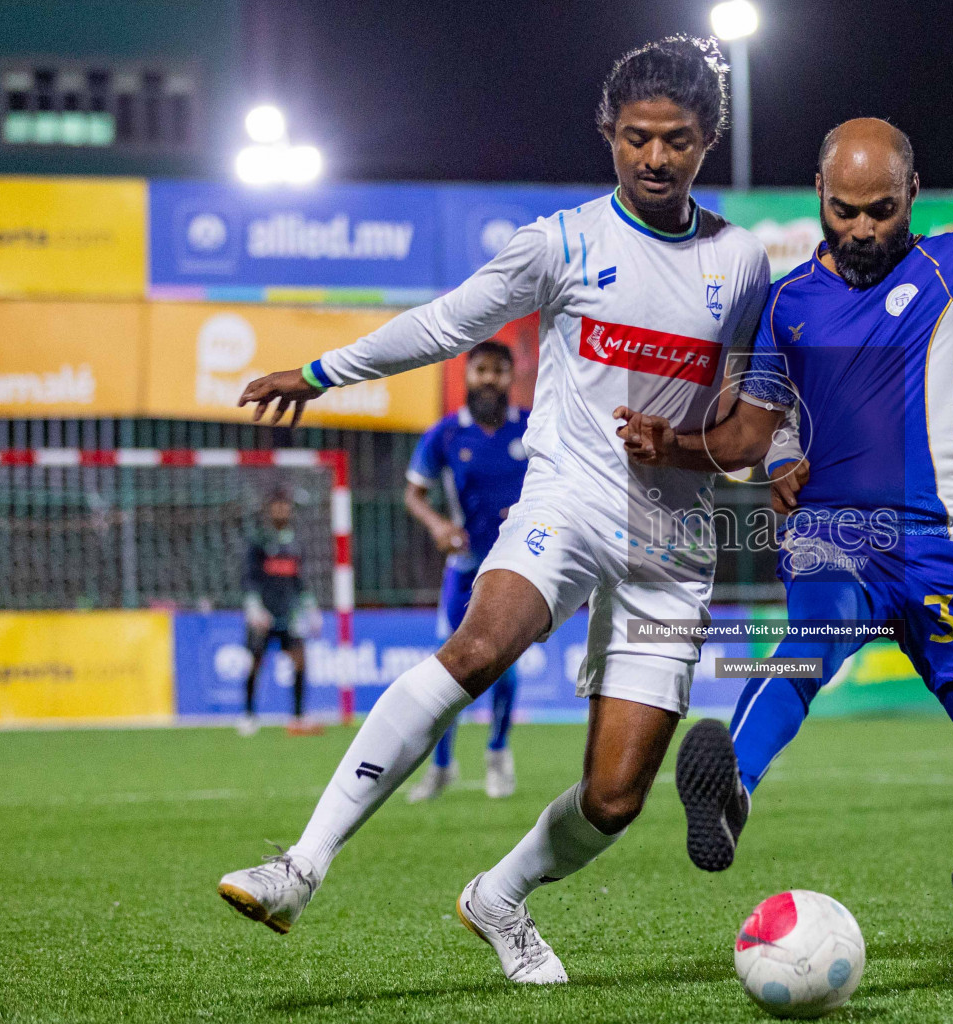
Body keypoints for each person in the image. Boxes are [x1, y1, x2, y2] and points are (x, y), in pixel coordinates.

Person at [215, 35, 771, 985]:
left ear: (707, 139)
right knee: (477, 646)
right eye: (637, 137)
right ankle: (300, 866)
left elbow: (741, 420)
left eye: (676, 140)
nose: (655, 157)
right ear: (609, 133)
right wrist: (319, 374)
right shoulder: (562, 243)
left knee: (617, 797)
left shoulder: (744, 263)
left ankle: (499, 896)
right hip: (570, 499)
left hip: (675, 544)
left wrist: (719, 449)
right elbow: (444, 322)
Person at [617, 35, 953, 979]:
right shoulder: (785, 306)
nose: (864, 226)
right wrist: (688, 447)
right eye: (845, 209)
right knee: (809, 643)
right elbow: (752, 437)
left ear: (911, 198)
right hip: (838, 537)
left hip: (949, 554)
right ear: (820, 198)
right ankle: (732, 792)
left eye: (882, 209)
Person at [403, 340, 529, 801]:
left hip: (517, 568)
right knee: (448, 669)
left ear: (511, 377)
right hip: (465, 567)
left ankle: (498, 755)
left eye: (499, 370)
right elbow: (413, 493)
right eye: (481, 370)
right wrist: (438, 524)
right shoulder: (446, 435)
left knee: (506, 670)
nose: (489, 379)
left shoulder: (533, 428)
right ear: (468, 375)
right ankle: (441, 766)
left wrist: (531, 508)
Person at [238, 489, 322, 737]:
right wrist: (254, 607)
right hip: (263, 614)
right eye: (277, 506)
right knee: (255, 663)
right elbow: (249, 578)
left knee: (299, 659)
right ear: (269, 510)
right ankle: (249, 715)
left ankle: (297, 715)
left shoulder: (295, 543)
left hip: (289, 614)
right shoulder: (259, 541)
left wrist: (311, 608)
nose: (282, 511)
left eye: (285, 506)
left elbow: (299, 581)